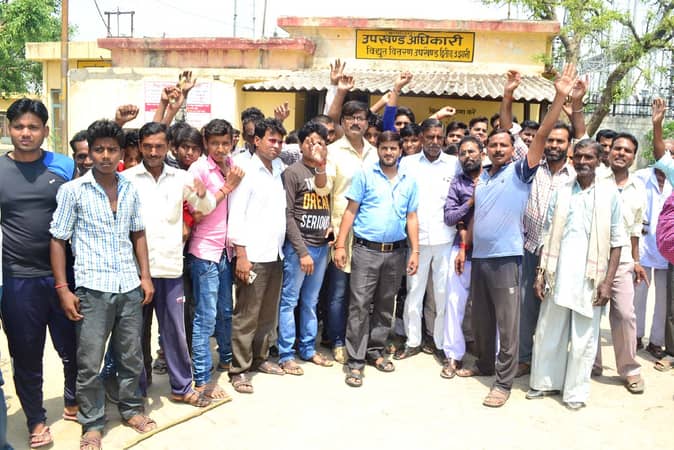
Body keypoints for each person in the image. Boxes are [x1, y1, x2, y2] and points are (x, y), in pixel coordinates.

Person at [454, 64, 576, 408]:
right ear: (485, 149)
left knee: (508, 325)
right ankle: (484, 364)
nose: (497, 149)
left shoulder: (521, 172)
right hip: (480, 258)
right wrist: (507, 94)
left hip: (508, 259)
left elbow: (541, 134)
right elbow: (477, 216)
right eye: (492, 145)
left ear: (513, 150)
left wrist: (559, 97)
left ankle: (503, 382)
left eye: (503, 145)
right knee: (482, 319)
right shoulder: (484, 176)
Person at [50, 119, 157, 450]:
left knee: (131, 355)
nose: (106, 156)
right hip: (92, 289)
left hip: (128, 285)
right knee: (90, 361)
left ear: (122, 152)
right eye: (99, 150)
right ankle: (93, 423)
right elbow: (58, 239)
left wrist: (145, 276)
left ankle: (131, 408)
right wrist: (63, 289)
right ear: (90, 153)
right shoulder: (73, 191)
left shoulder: (129, 188)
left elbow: (138, 233)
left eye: (112, 149)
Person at [124, 121, 220, 406]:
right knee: (135, 335)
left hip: (169, 267)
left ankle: (182, 387)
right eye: (148, 146)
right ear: (140, 146)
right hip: (135, 271)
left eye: (159, 146)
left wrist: (202, 194)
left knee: (174, 333)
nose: (153, 152)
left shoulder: (181, 178)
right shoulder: (127, 179)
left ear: (168, 147)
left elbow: (206, 207)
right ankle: (137, 390)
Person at [0, 98, 77, 448]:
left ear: (46, 130)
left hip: (64, 277)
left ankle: (73, 400)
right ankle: (36, 419)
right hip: (18, 279)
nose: (25, 133)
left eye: (33, 127)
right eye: (18, 126)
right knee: (26, 354)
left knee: (73, 346)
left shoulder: (64, 166)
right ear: (8, 129)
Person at [527, 139, 627, 410]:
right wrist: (540, 274)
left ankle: (575, 393)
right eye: (578, 157)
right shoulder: (562, 192)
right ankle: (545, 382)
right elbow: (547, 233)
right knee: (549, 330)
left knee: (584, 338)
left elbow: (617, 241)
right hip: (557, 273)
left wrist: (607, 283)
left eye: (588, 157)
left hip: (591, 277)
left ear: (599, 160)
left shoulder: (609, 194)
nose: (582, 162)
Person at [334, 130, 419, 387]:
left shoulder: (409, 181)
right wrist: (340, 245)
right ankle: (355, 361)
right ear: (378, 149)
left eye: (393, 148)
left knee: (385, 304)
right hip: (366, 251)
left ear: (400, 151)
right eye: (384, 148)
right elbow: (351, 211)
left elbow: (411, 217)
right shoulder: (364, 175)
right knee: (359, 305)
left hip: (396, 252)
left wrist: (415, 251)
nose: (389, 152)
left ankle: (375, 351)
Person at [515, 70, 583, 377]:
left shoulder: (578, 174)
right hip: (532, 248)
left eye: (560, 141)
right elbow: (539, 134)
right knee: (527, 308)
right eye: (551, 140)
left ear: (569, 147)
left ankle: (549, 366)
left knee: (555, 311)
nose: (553, 144)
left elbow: (584, 138)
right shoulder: (533, 167)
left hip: (563, 253)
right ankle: (524, 358)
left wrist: (576, 104)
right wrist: (559, 97)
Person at [228, 118, 287, 394]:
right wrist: (241, 255)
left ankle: (260, 359)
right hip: (252, 255)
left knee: (266, 314)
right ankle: (239, 369)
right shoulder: (246, 171)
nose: (276, 146)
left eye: (280, 141)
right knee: (247, 315)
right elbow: (236, 215)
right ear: (257, 140)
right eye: (271, 140)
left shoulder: (278, 169)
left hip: (275, 253)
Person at [188, 119, 244, 395]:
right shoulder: (198, 169)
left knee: (225, 311)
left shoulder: (233, 164)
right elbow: (198, 211)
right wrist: (226, 188)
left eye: (225, 143)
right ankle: (201, 378)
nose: (220, 149)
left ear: (233, 141)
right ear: (206, 143)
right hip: (204, 252)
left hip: (225, 251)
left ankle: (226, 359)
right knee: (206, 316)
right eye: (214, 144)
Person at [395, 119, 459, 360]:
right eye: (430, 137)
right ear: (421, 137)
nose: (434, 141)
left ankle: (441, 343)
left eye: (439, 137)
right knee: (414, 292)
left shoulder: (453, 164)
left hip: (445, 239)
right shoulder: (408, 163)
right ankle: (413, 341)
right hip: (417, 241)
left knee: (442, 294)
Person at [323, 101, 378, 363]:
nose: (356, 122)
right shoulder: (332, 152)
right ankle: (336, 340)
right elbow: (324, 192)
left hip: (370, 233)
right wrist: (332, 232)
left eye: (360, 118)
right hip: (341, 232)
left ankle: (359, 339)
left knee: (363, 293)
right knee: (339, 291)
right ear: (342, 122)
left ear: (367, 123)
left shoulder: (376, 153)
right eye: (350, 118)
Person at [277, 121, 334, 375]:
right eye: (310, 141)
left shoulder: (325, 172)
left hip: (322, 247)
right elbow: (288, 215)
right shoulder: (293, 172)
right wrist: (301, 251)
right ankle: (286, 354)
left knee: (311, 301)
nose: (316, 146)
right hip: (300, 247)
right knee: (290, 301)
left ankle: (308, 348)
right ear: (301, 145)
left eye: (321, 142)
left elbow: (330, 203)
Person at [593, 132, 647, 394]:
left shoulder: (638, 188)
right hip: (594, 257)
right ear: (609, 151)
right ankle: (591, 364)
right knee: (590, 312)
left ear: (633, 157)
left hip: (623, 259)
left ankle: (629, 369)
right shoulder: (595, 178)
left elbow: (635, 229)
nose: (621, 153)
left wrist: (636, 261)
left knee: (625, 314)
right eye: (617, 148)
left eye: (627, 151)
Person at [441, 136, 483, 378]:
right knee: (454, 303)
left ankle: (494, 357)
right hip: (461, 251)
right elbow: (449, 217)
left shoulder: (493, 177)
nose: (468, 156)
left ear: (482, 153)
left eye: (472, 151)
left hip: (490, 252)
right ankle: (453, 356)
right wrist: (471, 202)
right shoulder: (458, 183)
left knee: (491, 307)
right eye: (463, 153)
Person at [633, 164, 670, 360]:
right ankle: (635, 336)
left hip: (667, 246)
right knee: (638, 293)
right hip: (643, 244)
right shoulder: (641, 176)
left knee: (664, 297)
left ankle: (656, 341)